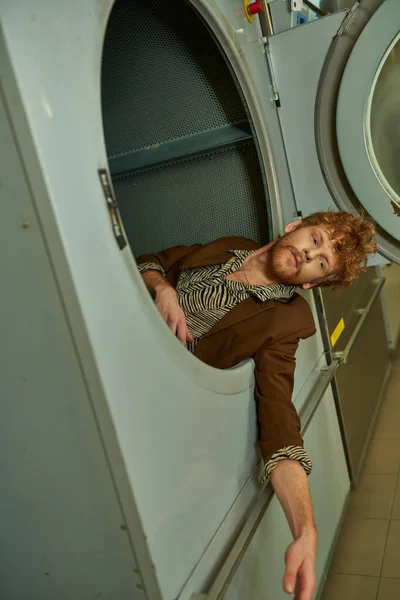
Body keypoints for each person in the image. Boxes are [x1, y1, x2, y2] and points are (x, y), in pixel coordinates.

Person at [137, 211, 376, 600]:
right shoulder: (231, 245)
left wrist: (305, 530)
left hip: (147, 400)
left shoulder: (288, 322)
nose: (308, 255)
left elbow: (279, 422)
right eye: (315, 240)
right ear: (294, 228)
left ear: (313, 282)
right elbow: (149, 260)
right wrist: (161, 287)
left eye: (321, 263)